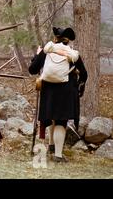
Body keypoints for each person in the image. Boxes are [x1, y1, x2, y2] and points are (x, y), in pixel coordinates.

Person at [29, 27, 87, 163]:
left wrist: (37, 55)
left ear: (55, 38)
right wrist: (78, 84)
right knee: (61, 121)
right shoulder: (72, 53)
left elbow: (32, 69)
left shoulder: (47, 51)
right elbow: (84, 73)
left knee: (50, 117)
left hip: (48, 90)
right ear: (68, 40)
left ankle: (51, 146)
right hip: (66, 91)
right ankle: (58, 155)